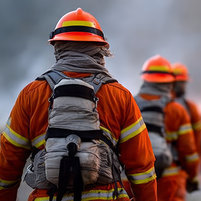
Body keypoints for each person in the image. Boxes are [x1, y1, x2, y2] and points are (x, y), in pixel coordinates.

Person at [0, 8, 157, 201]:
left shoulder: (31, 94)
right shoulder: (120, 96)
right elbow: (142, 169)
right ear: (100, 49)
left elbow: (6, 166)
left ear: (57, 47)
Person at [135, 55, 199, 201]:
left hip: (133, 180)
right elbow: (188, 151)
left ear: (145, 79)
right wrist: (192, 177)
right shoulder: (177, 110)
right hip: (167, 180)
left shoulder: (130, 105)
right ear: (170, 82)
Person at [172, 63, 201, 154]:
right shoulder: (164, 104)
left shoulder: (190, 107)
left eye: (184, 82)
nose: (184, 86)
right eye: (182, 82)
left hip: (184, 157)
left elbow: (197, 135)